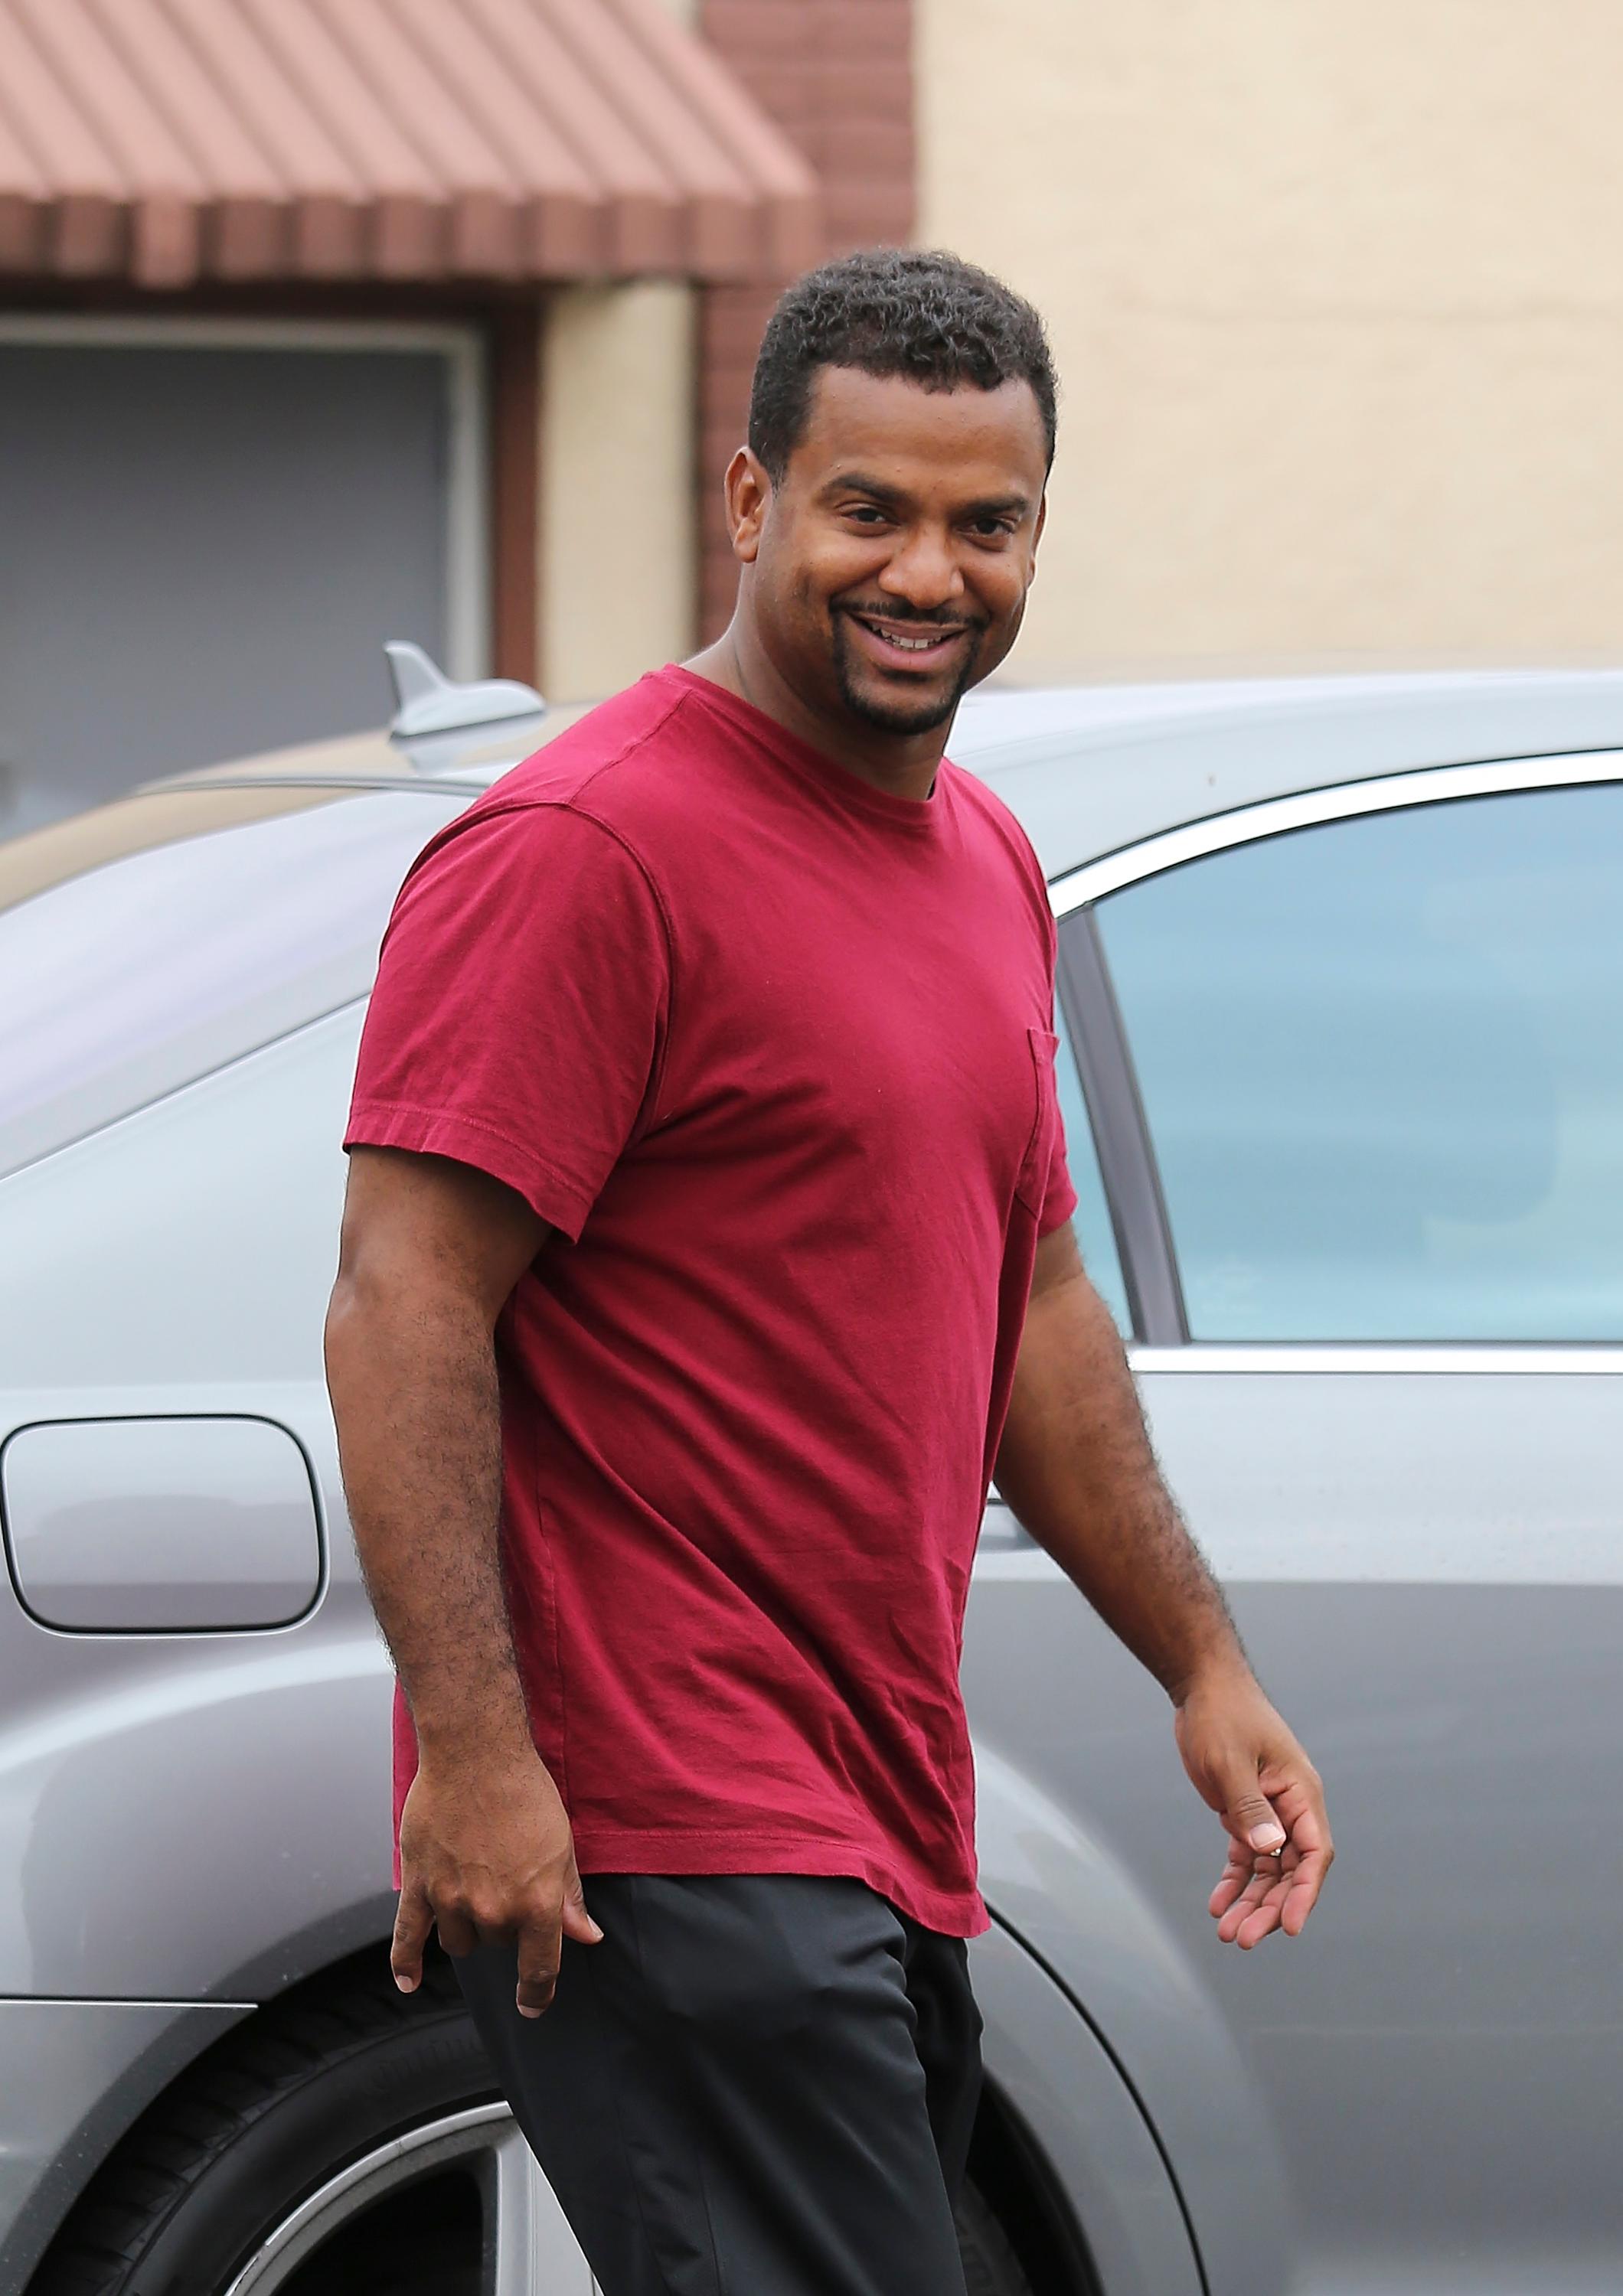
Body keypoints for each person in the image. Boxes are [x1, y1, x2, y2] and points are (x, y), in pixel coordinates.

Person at [324, 246, 1332, 2296]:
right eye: (872, 509)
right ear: (753, 497)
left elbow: (1035, 1304)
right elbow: (406, 1298)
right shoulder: (590, 851)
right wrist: (485, 1758)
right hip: (662, 1825)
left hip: (875, 1805)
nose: (930, 572)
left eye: (988, 522)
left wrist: (1202, 1665)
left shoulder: (980, 855)